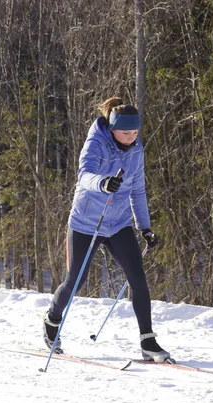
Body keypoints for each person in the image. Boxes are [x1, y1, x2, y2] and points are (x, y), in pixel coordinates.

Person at [42, 97, 170, 362]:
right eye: (126, 133)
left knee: (138, 278)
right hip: (86, 223)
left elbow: (137, 190)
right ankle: (52, 318)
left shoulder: (136, 150)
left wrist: (144, 227)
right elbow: (84, 175)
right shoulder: (96, 142)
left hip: (118, 223)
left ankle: (148, 340)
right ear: (113, 129)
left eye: (135, 133)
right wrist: (103, 183)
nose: (131, 138)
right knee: (76, 280)